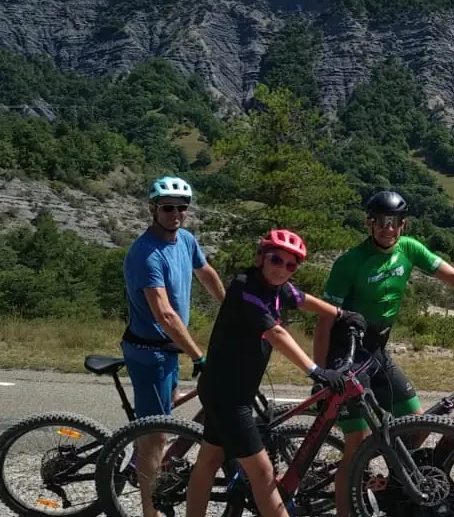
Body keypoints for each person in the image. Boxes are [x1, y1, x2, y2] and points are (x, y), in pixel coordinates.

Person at [312, 190, 454, 517]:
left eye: (392, 222)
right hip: (347, 354)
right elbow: (324, 321)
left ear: (402, 225)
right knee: (355, 447)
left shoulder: (409, 249)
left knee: (416, 423)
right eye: (379, 221)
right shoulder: (349, 263)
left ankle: (393, 487)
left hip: (377, 350)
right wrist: (320, 373)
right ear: (369, 223)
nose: (386, 228)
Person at [185, 229, 367, 517]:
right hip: (229, 397)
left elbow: (303, 298)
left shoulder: (277, 287)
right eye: (276, 260)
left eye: (291, 265)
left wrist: (340, 314)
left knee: (208, 461)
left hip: (228, 390)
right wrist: (314, 370)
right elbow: (276, 332)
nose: (283, 269)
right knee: (263, 475)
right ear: (260, 258)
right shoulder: (245, 287)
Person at [122, 175, 226, 517]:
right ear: (153, 209)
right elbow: (165, 314)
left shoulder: (185, 240)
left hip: (168, 350)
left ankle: (145, 457)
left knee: (163, 414)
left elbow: (206, 271)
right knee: (157, 435)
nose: (175, 214)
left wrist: (232, 309)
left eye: (182, 208)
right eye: (167, 208)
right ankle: (149, 510)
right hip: (149, 352)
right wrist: (198, 356)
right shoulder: (146, 254)